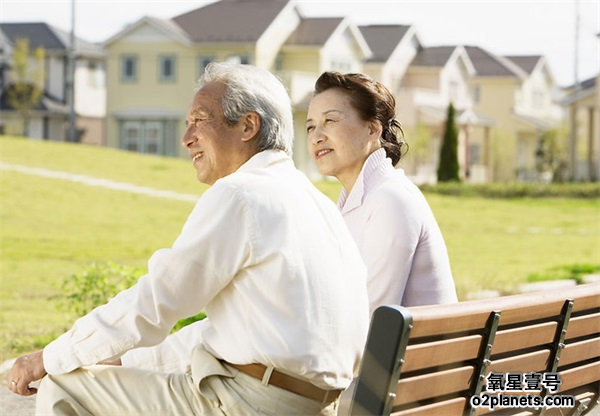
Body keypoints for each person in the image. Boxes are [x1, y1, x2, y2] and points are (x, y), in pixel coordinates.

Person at [8, 63, 370, 416]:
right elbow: (225, 331)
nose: (186, 139)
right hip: (314, 405)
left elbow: (155, 301)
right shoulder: (314, 203)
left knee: (63, 386)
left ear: (248, 125)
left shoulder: (241, 194)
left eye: (199, 121)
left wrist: (48, 358)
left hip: (250, 404)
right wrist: (123, 358)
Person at [306, 71, 458, 314]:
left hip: (410, 351)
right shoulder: (355, 203)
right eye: (310, 127)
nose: (316, 137)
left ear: (373, 129)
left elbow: (371, 315)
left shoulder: (391, 199)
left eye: (330, 121)